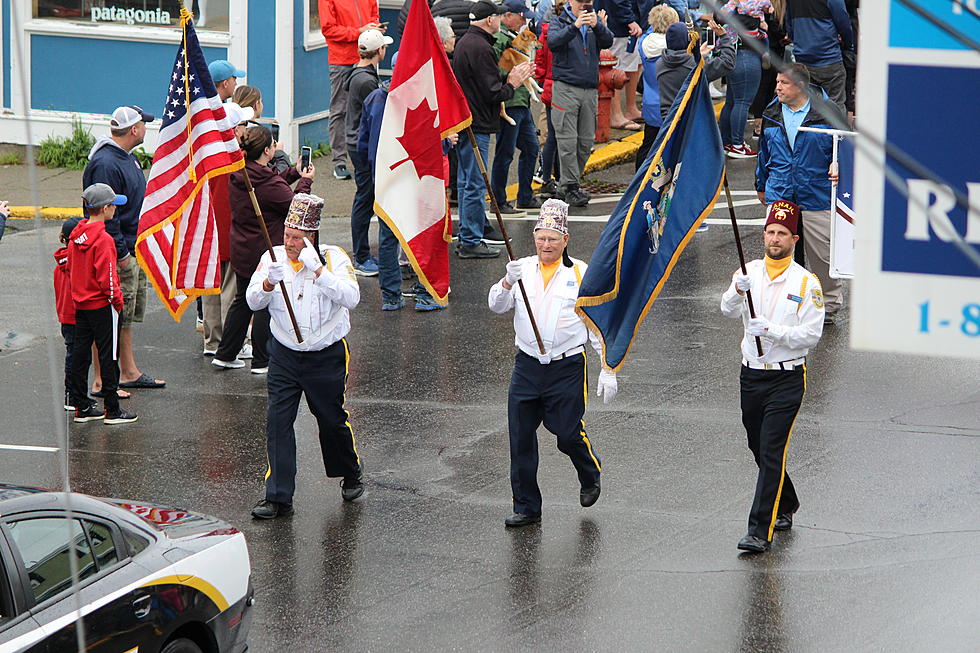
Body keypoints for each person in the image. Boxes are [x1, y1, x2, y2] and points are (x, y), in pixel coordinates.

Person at [488, 199, 619, 527]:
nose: (546, 245)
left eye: (553, 239)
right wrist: (506, 281)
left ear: (565, 240)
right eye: (541, 238)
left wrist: (608, 368)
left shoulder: (581, 274)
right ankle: (526, 506)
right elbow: (496, 306)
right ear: (534, 237)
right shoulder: (522, 269)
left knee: (566, 433)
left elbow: (596, 324)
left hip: (567, 367)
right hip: (528, 366)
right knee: (519, 437)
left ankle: (589, 471)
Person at [247, 194, 363, 519]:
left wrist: (320, 273)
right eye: (286, 234)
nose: (289, 242)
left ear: (311, 237)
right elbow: (253, 301)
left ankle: (350, 471)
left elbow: (352, 297)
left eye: (296, 237)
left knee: (330, 419)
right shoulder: (272, 258)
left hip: (326, 356)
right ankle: (278, 496)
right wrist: (269, 283)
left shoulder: (334, 258)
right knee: (278, 422)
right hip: (285, 354)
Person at [719, 200, 824, 552]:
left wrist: (774, 332)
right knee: (757, 444)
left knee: (772, 450)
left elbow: (810, 335)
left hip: (786, 378)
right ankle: (788, 499)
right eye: (771, 232)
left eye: (782, 233)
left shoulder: (806, 283)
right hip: (751, 374)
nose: (775, 239)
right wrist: (737, 291)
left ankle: (758, 531)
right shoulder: (747, 272)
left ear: (794, 238)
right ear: (763, 234)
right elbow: (725, 309)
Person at [213, 125, 315, 373]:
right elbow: (296, 207)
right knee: (266, 301)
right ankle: (262, 360)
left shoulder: (241, 173)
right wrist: (305, 181)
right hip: (265, 250)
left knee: (243, 300)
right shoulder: (265, 182)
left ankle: (226, 354)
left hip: (242, 246)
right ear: (268, 151)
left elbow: (272, 186)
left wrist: (292, 172)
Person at [83, 105, 166, 392]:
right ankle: (101, 380)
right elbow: (105, 215)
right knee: (109, 317)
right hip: (116, 252)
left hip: (131, 246)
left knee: (126, 315)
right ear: (134, 130)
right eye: (144, 124)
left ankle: (128, 371)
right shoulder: (106, 163)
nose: (146, 128)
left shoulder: (125, 158)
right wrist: (120, 254)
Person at [755, 63, 843, 321]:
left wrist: (841, 168)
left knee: (821, 256)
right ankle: (782, 302)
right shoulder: (772, 111)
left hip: (817, 193)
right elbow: (764, 153)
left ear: (801, 86)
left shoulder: (828, 112)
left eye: (784, 83)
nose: (777, 87)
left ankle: (827, 305)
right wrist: (761, 185)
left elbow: (847, 149)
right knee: (778, 248)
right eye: (777, 82)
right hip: (780, 191)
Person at [452, 0, 534, 258]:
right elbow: (492, 92)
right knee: (474, 183)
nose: (500, 21)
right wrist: (512, 82)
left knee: (467, 182)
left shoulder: (466, 42)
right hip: (477, 123)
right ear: (490, 20)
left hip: (467, 120)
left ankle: (471, 232)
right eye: (498, 17)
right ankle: (471, 240)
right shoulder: (481, 47)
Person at [67, 184, 138, 425]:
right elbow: (107, 275)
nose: (115, 210)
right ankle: (112, 408)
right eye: (113, 206)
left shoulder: (76, 235)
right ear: (105, 208)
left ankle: (80, 403)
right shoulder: (104, 240)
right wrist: (117, 300)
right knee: (109, 354)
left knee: (81, 352)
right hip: (101, 304)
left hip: (81, 303)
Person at [548, 0, 614, 208]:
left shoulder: (593, 22)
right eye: (581, 2)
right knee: (567, 142)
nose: (585, 6)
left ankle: (566, 185)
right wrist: (575, 26)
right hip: (566, 88)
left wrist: (598, 25)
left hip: (589, 89)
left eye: (588, 2)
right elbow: (553, 43)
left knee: (585, 142)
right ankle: (571, 187)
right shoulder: (559, 21)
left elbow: (608, 41)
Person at [201, 101, 254, 358]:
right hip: (230, 230)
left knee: (211, 289)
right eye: (242, 125)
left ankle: (212, 341)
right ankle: (231, 342)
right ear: (233, 129)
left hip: (208, 231)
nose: (245, 130)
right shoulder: (235, 159)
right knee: (232, 291)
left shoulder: (207, 153)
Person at [319, 0, 384, 181]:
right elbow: (328, 29)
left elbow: (374, 15)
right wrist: (359, 32)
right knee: (339, 110)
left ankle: (366, 154)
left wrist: (374, 29)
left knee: (369, 107)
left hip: (366, 57)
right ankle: (339, 161)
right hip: (342, 59)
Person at [346, 28, 393, 277]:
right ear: (380, 51)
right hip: (360, 145)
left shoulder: (360, 73)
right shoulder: (366, 81)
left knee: (365, 197)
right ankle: (361, 256)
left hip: (355, 142)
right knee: (365, 198)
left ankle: (362, 254)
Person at [491, 0, 541, 216]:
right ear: (508, 15)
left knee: (531, 148)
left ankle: (525, 196)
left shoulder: (512, 37)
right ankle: (499, 200)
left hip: (522, 101)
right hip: (509, 102)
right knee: (505, 152)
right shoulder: (499, 38)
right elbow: (496, 67)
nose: (523, 21)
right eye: (521, 17)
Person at [718, 0, 772, 159]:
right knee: (742, 102)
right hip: (747, 56)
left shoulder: (729, 10)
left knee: (732, 102)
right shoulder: (750, 12)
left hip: (732, 56)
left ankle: (726, 142)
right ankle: (737, 145)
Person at [783, 0, 854, 114]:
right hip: (829, 59)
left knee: (807, 107)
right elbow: (844, 24)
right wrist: (849, 46)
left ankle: (811, 131)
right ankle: (834, 131)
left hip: (803, 60)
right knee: (835, 105)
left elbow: (790, 27)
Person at [634, 3, 679, 171]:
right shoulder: (674, 48)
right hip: (670, 103)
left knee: (648, 145)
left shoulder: (644, 43)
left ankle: (639, 178)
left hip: (650, 102)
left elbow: (647, 31)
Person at [601, 0, 645, 131]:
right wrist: (628, 19)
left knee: (633, 65)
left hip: (631, 19)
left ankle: (631, 109)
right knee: (617, 69)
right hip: (619, 22)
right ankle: (615, 115)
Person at [54, 217, 82, 410]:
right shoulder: (76, 262)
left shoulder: (59, 264)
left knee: (72, 354)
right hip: (76, 313)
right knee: (76, 357)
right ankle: (72, 396)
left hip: (65, 313)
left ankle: (71, 395)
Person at [535, 10, 560, 197]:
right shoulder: (563, 32)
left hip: (549, 86)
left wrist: (544, 82)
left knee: (552, 135)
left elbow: (540, 62)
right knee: (558, 135)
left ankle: (547, 176)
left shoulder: (545, 34)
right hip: (560, 85)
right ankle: (553, 177)